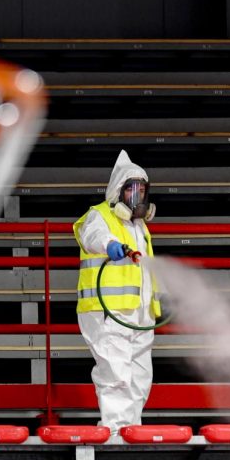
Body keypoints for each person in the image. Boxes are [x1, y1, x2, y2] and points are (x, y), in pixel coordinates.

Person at [73, 150, 161, 433]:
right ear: (117, 191)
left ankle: (130, 430)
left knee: (140, 376)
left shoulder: (140, 228)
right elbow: (94, 237)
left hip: (139, 313)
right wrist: (110, 245)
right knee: (116, 375)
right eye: (132, 189)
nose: (138, 197)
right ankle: (114, 434)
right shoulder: (98, 216)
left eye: (142, 190)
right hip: (108, 312)